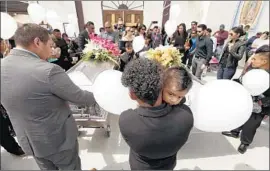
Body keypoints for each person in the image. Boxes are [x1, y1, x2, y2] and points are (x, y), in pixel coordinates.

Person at [1, 23, 96, 170]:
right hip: (57, 141)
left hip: (29, 140)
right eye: (50, 45)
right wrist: (101, 94)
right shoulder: (49, 70)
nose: (51, 50)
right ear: (37, 42)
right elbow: (79, 97)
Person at [119, 58, 194, 170]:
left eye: (179, 97)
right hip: (168, 166)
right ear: (162, 87)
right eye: (171, 94)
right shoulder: (186, 116)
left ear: (132, 95)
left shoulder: (126, 120)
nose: (174, 100)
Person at [222, 45, 270, 154]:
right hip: (246, 100)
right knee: (240, 116)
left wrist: (263, 102)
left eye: (254, 58)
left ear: (264, 61)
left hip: (259, 106)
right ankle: (235, 131)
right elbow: (243, 81)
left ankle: (245, 142)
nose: (251, 60)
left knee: (250, 125)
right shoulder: (253, 70)